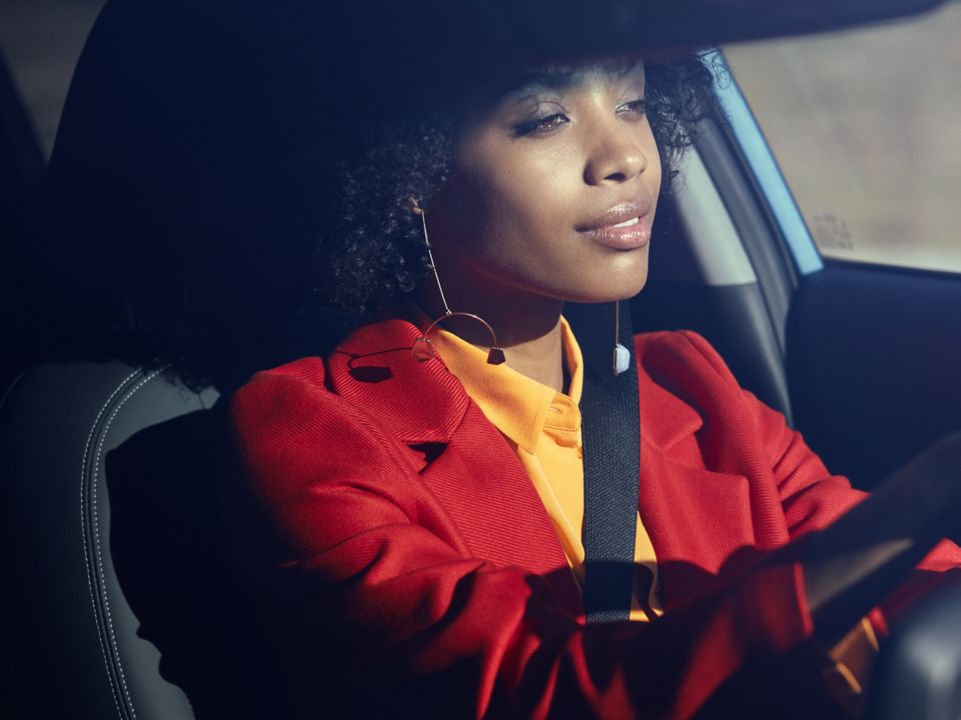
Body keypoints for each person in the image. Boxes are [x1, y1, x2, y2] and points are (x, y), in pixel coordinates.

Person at [218, 24, 961, 720]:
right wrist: (929, 489)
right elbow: (538, 687)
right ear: (408, 169)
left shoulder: (693, 384)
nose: (624, 156)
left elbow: (920, 580)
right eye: (545, 119)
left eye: (632, 102)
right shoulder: (309, 431)